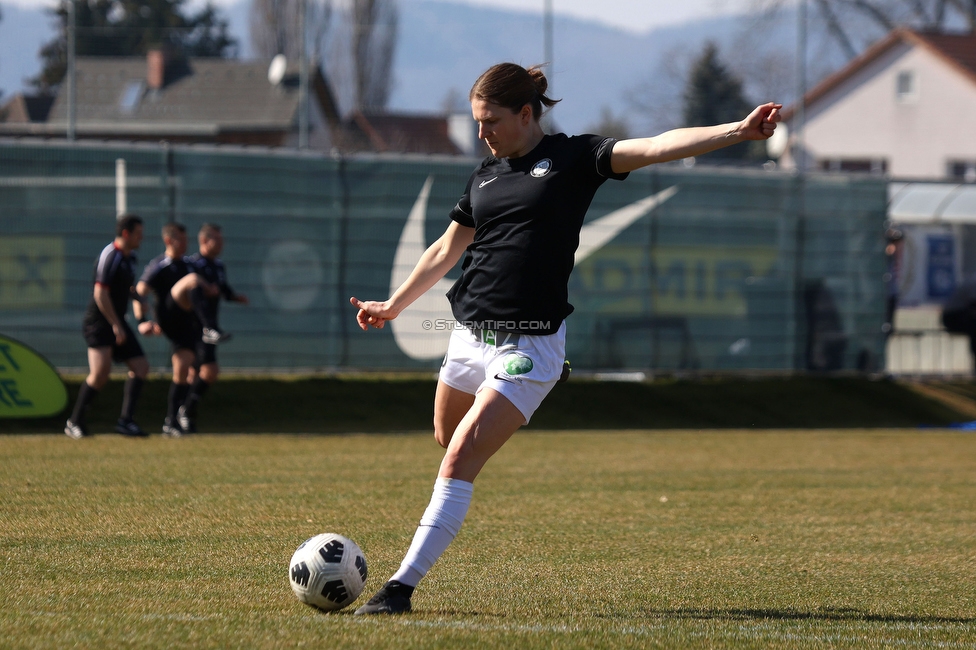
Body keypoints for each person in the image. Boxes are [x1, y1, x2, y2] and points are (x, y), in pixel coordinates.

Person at [348, 62, 781, 615]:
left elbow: (654, 147)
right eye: (478, 122)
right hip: (467, 335)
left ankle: (399, 590)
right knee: (446, 436)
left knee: (458, 461)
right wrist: (393, 305)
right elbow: (443, 250)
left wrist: (736, 132)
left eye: (491, 121)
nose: (483, 133)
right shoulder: (484, 174)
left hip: (528, 346)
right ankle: (508, 409)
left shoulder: (576, 157)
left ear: (526, 114)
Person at [65, 214, 154, 439]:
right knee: (100, 373)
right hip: (99, 322)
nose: (141, 239)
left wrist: (139, 299)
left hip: (117, 322)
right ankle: (74, 422)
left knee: (141, 366)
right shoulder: (110, 255)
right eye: (138, 234)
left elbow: (126, 285)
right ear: (126, 234)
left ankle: (126, 421)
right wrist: (116, 325)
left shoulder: (130, 257)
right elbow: (100, 293)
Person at [135, 222, 220, 436]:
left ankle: (175, 420)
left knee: (188, 372)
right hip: (168, 317)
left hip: (186, 324)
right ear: (168, 240)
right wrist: (142, 320)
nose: (185, 243)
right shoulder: (160, 265)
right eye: (180, 239)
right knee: (191, 281)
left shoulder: (190, 264)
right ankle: (171, 420)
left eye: (186, 239)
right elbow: (140, 291)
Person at [178, 223, 248, 433]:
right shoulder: (192, 265)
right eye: (217, 239)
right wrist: (206, 290)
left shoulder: (218, 265)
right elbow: (190, 291)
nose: (221, 243)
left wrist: (234, 297)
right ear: (204, 241)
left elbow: (223, 288)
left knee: (197, 373)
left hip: (211, 328)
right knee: (208, 371)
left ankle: (183, 414)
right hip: (195, 326)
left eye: (221, 239)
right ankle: (183, 412)